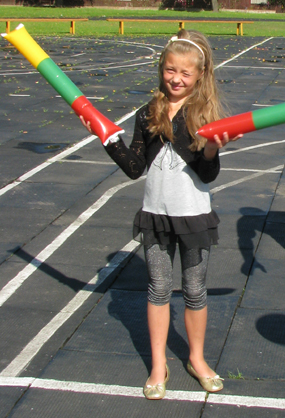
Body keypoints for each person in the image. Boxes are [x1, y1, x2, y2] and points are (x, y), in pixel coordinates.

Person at [81, 30, 240, 398]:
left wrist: (213, 150)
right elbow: (135, 167)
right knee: (157, 288)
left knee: (196, 290)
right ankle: (158, 364)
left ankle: (196, 359)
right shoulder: (148, 114)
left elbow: (207, 173)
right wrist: (107, 139)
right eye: (170, 70)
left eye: (185, 73)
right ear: (161, 69)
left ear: (199, 75)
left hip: (194, 216)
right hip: (155, 214)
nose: (176, 79)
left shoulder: (204, 115)